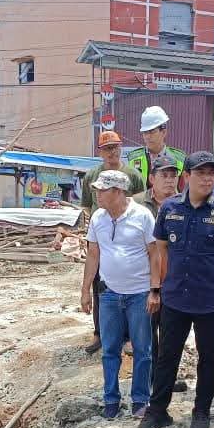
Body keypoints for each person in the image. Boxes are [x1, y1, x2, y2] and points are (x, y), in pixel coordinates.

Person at [137, 152, 214, 428]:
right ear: (188, 176)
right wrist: (159, 287)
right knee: (167, 357)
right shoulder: (169, 208)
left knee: (208, 358)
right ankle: (157, 411)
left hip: (211, 299)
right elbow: (161, 250)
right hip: (175, 297)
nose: (207, 177)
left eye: (212, 172)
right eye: (201, 172)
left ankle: (201, 411)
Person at [81, 170, 160, 420]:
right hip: (109, 294)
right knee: (109, 350)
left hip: (139, 294)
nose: (98, 195)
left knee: (142, 349)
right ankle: (111, 400)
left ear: (118, 192)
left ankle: (139, 400)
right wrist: (85, 290)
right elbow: (93, 254)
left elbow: (155, 253)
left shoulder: (143, 216)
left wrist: (154, 290)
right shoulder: (98, 218)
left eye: (102, 190)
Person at [81, 131, 146, 354]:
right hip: (101, 239)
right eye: (107, 148)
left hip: (128, 239)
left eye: (116, 147)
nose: (112, 152)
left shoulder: (133, 175)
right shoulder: (91, 177)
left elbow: (142, 203)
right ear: (100, 151)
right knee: (100, 286)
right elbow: (86, 208)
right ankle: (100, 333)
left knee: (129, 288)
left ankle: (128, 335)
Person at [133, 156, 187, 394]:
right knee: (145, 332)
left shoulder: (185, 203)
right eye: (164, 175)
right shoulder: (136, 204)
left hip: (174, 278)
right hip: (142, 278)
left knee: (170, 333)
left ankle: (165, 378)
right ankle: (148, 378)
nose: (169, 180)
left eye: (173, 175)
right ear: (151, 178)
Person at [128, 106, 186, 185]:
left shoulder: (180, 159)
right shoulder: (133, 158)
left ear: (163, 132)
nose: (148, 137)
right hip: (141, 197)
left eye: (152, 132)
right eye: (145, 132)